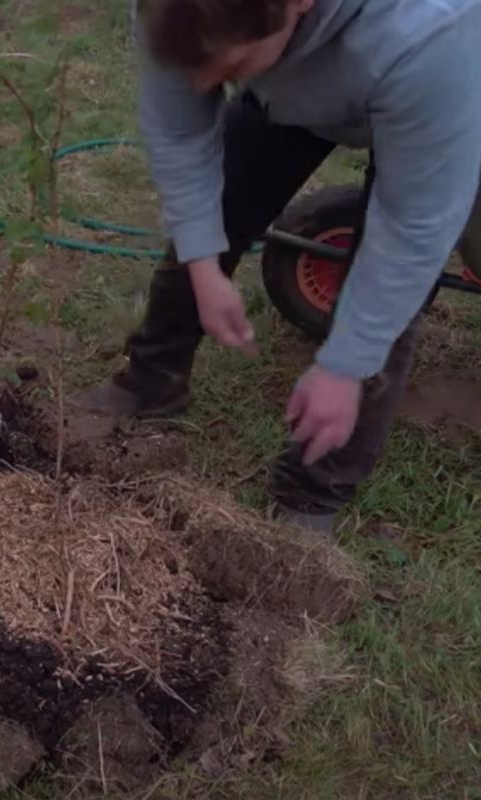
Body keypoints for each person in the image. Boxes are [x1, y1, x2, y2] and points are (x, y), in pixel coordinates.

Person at [80, 0, 481, 535]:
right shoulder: (174, 11)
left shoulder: (429, 36)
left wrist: (344, 367)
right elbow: (180, 134)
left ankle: (314, 489)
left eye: (228, 70)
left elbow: (411, 231)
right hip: (296, 83)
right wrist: (204, 266)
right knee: (222, 200)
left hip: (436, 89)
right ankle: (151, 382)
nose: (202, 85)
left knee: (386, 281)